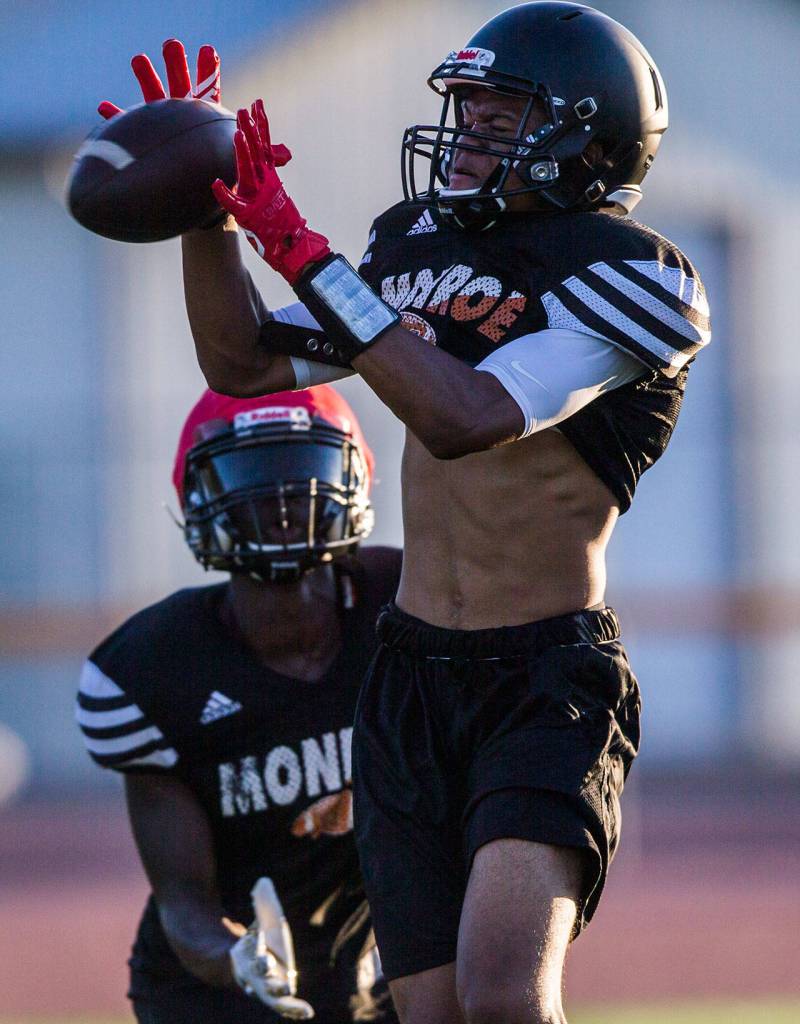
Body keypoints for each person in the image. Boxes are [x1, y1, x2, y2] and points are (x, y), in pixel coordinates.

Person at [103, 4, 711, 1020]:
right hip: (406, 679)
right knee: (420, 1010)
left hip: (539, 677)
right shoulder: (414, 244)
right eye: (462, 111)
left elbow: (464, 415)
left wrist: (302, 251)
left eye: (496, 115)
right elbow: (242, 361)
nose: (466, 135)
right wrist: (205, 216)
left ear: (584, 135)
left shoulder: (636, 273)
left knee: (503, 995)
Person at [76, 385, 402, 1024]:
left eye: (301, 472)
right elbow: (182, 900)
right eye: (252, 475)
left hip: (380, 973)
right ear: (198, 496)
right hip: (210, 996)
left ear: (355, 474)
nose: (283, 502)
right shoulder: (152, 669)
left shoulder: (408, 604)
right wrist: (236, 957)